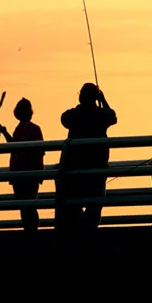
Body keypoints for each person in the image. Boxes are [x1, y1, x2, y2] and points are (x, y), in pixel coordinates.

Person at [58, 83, 117, 231]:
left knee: (74, 204)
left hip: (75, 166)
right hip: (97, 166)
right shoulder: (101, 115)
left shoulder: (73, 115)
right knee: (95, 205)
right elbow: (113, 117)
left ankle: (79, 231)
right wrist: (103, 100)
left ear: (81, 97)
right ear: (96, 97)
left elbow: (63, 118)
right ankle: (89, 231)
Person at [0, 98, 45, 233]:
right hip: (25, 173)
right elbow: (15, 146)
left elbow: (19, 148)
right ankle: (30, 230)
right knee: (27, 205)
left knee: (26, 205)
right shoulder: (26, 129)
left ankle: (30, 230)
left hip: (25, 173)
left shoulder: (29, 128)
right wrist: (5, 133)